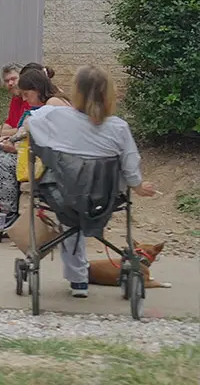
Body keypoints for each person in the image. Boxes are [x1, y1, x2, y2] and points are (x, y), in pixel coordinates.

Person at [27, 65, 156, 298]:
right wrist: (137, 185)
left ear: (76, 92)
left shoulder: (55, 116)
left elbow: (33, 131)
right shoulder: (118, 128)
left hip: (65, 196)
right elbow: (130, 164)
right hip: (104, 198)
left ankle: (78, 280)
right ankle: (92, 275)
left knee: (69, 215)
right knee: (87, 198)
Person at [0, 66, 70, 216]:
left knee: (3, 161)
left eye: (26, 94)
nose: (25, 99)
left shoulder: (52, 103)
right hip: (60, 158)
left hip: (56, 164)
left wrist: (15, 146)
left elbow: (29, 127)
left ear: (37, 89)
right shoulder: (58, 99)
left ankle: (5, 213)